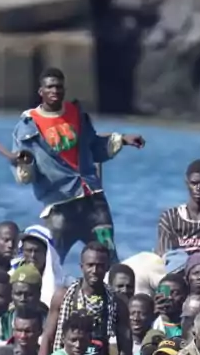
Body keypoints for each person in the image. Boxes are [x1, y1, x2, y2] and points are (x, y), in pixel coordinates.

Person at [10, 67, 145, 263]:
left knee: (107, 257)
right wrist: (25, 163)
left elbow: (95, 148)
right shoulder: (27, 126)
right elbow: (24, 175)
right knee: (48, 262)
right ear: (41, 92)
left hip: (93, 201)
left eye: (58, 87)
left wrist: (122, 139)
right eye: (49, 87)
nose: (54, 91)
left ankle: (114, 292)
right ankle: (39, 292)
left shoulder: (77, 115)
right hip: (60, 205)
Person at [39, 242, 131, 355]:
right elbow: (48, 339)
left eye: (100, 266)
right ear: (81, 267)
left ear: (107, 267)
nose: (95, 271)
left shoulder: (116, 302)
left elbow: (126, 351)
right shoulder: (64, 297)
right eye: (90, 265)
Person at [17, 225, 65, 305]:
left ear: (47, 253)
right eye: (29, 251)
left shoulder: (63, 284)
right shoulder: (11, 277)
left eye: (37, 251)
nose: (32, 255)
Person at [152, 273, 188, 339]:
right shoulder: (153, 324)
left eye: (175, 293)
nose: (169, 297)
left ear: (185, 295)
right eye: (165, 292)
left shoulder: (191, 323)